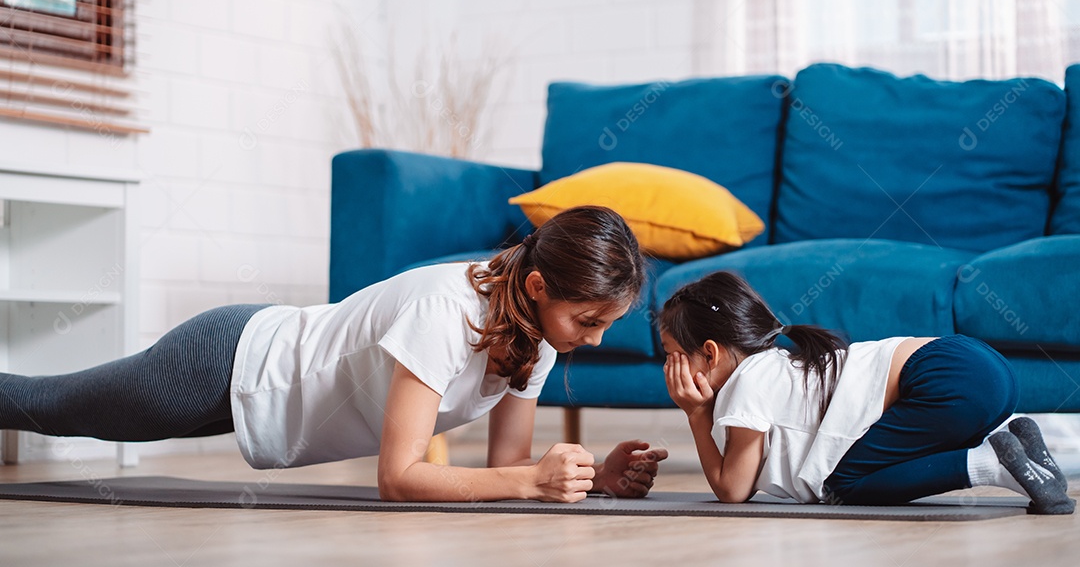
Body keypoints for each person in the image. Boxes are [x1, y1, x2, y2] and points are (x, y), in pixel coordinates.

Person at [0, 205, 667, 503]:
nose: (594, 340)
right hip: (231, 358)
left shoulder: (535, 339)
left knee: (56, 408)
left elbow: (504, 467)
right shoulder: (448, 311)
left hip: (260, 403)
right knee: (49, 406)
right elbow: (399, 478)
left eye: (605, 325)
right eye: (588, 321)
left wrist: (593, 478)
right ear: (538, 287)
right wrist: (529, 482)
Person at [659, 270, 1074, 514]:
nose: (667, 367)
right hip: (979, 368)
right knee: (881, 459)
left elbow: (733, 490)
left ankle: (992, 463)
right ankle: (1021, 450)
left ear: (710, 353)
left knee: (842, 485)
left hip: (947, 379)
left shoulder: (747, 384)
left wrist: (696, 414)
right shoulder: (777, 365)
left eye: (671, 354)